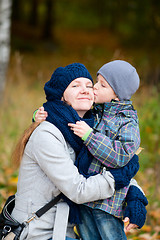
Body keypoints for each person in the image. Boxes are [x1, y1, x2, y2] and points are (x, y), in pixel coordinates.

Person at [11, 63, 139, 240]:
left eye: (89, 85)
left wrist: (135, 193)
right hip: (38, 233)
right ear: (61, 95)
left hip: (65, 231)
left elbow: (102, 165)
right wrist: (117, 178)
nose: (86, 90)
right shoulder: (48, 134)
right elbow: (79, 190)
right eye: (75, 85)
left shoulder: (89, 131)